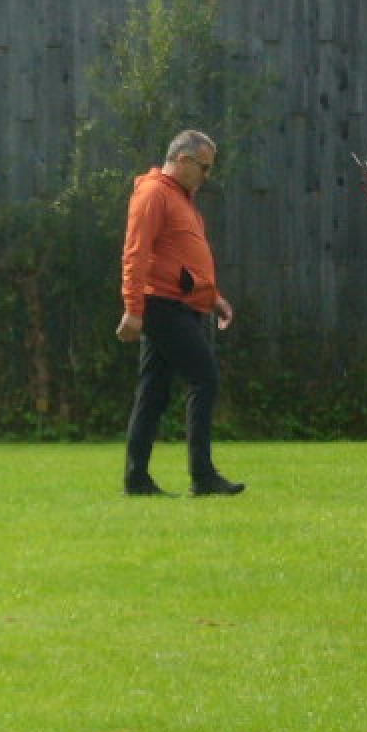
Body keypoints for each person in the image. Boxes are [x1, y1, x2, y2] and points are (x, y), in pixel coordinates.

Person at [116, 129, 245, 497]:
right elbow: (136, 252)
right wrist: (133, 309)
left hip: (181, 305)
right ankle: (202, 476)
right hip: (163, 305)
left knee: (153, 392)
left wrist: (213, 297)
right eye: (204, 167)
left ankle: (137, 479)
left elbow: (183, 258)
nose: (207, 176)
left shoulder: (182, 199)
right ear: (184, 160)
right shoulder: (154, 193)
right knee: (205, 378)